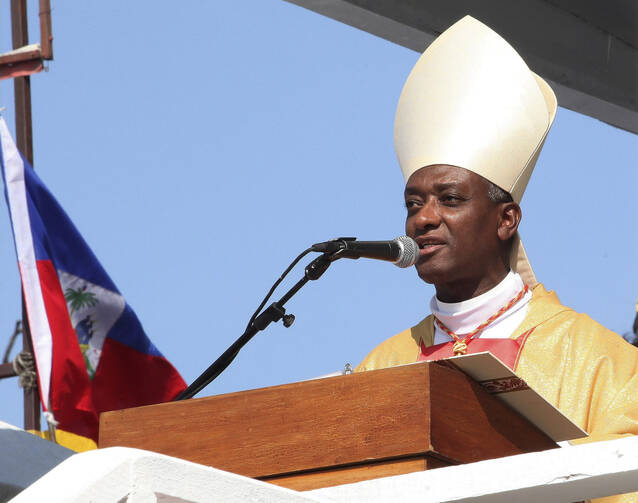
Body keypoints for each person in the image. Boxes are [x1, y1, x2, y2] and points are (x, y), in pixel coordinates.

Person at [355, 16, 638, 503]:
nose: (424, 219)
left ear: (506, 219)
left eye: (450, 199)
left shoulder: (600, 362)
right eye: (413, 203)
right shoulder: (380, 368)